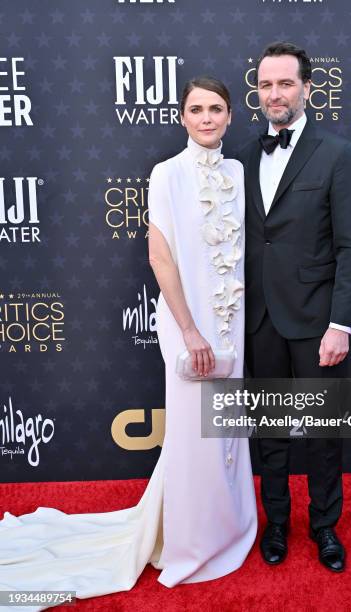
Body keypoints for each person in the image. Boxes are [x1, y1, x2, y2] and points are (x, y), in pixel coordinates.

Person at [0, 76, 257, 610]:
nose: (206, 118)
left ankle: (227, 528)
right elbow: (160, 258)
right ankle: (191, 540)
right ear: (182, 117)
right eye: (196, 109)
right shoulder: (166, 174)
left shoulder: (237, 172)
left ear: (231, 116)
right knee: (192, 431)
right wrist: (189, 328)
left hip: (230, 319)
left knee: (227, 432)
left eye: (216, 108)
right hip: (188, 323)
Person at [238, 42, 351, 572]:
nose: (275, 94)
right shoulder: (242, 157)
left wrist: (340, 324)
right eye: (266, 85)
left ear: (307, 89)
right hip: (260, 319)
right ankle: (276, 525)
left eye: (285, 84)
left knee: (322, 434)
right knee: (269, 432)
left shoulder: (338, 153)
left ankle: (324, 527)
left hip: (317, 321)